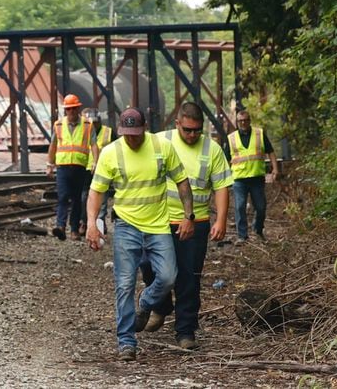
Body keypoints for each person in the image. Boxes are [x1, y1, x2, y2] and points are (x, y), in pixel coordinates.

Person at [85, 107, 194, 362]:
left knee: (168, 277)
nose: (131, 139)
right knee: (124, 284)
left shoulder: (161, 147)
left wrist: (188, 216)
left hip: (157, 226)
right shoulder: (111, 152)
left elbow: (182, 181)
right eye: (127, 134)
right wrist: (92, 223)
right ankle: (126, 342)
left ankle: (145, 302)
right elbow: (95, 191)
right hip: (126, 226)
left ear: (145, 127)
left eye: (136, 133)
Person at [139, 102, 233, 350]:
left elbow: (222, 186)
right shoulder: (159, 141)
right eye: (187, 130)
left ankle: (185, 330)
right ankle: (161, 305)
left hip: (196, 222)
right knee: (147, 264)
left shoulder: (211, 149)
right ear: (177, 123)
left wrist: (221, 219)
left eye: (197, 130)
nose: (192, 135)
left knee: (188, 279)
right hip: (158, 220)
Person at [46, 94, 98, 241]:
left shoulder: (87, 125)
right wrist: (49, 165)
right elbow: (53, 145)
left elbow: (94, 144)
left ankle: (74, 230)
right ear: (65, 110)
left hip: (79, 167)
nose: (72, 112)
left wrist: (95, 162)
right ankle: (60, 226)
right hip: (63, 167)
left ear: (78, 108)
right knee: (62, 197)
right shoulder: (58, 125)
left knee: (76, 199)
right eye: (69, 109)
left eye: (74, 109)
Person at [224, 110, 279, 244]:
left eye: (245, 120)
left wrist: (275, 169)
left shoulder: (259, 134)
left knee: (261, 207)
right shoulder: (231, 138)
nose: (243, 123)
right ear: (237, 123)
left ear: (249, 121)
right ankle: (242, 236)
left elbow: (270, 152)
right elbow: (225, 159)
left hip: (257, 178)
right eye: (240, 121)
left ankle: (258, 230)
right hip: (239, 179)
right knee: (239, 206)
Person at [80, 108, 114, 234]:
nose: (93, 125)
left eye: (95, 122)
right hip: (85, 167)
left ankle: (100, 221)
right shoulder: (84, 131)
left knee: (102, 196)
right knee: (84, 196)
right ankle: (85, 221)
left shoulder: (108, 132)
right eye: (91, 123)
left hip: (102, 168)